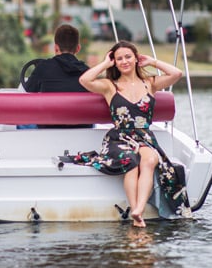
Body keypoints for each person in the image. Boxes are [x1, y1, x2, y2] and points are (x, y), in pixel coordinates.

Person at [74, 40, 191, 228]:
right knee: (131, 161)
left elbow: (177, 74)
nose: (124, 61)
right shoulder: (110, 86)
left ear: (136, 58)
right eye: (119, 58)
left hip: (144, 137)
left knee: (150, 160)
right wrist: (105, 64)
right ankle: (136, 210)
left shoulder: (150, 83)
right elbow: (84, 80)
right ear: (115, 62)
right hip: (119, 137)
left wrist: (153, 61)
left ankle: (138, 210)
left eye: (128, 57)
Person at [22, 24, 89, 128]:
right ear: (78, 48)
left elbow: (29, 90)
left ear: (56, 48)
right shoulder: (88, 72)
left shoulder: (43, 67)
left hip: (48, 128)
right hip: (82, 128)